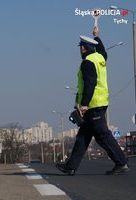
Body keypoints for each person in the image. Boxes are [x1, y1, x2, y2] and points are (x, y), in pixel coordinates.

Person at [56, 26, 130, 176]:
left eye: (81, 47)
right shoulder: (100, 58)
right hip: (100, 103)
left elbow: (90, 83)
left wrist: (84, 104)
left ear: (83, 49)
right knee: (83, 136)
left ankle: (121, 163)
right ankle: (70, 166)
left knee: (103, 136)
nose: (80, 50)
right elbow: (103, 51)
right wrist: (96, 36)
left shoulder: (87, 63)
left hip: (93, 105)